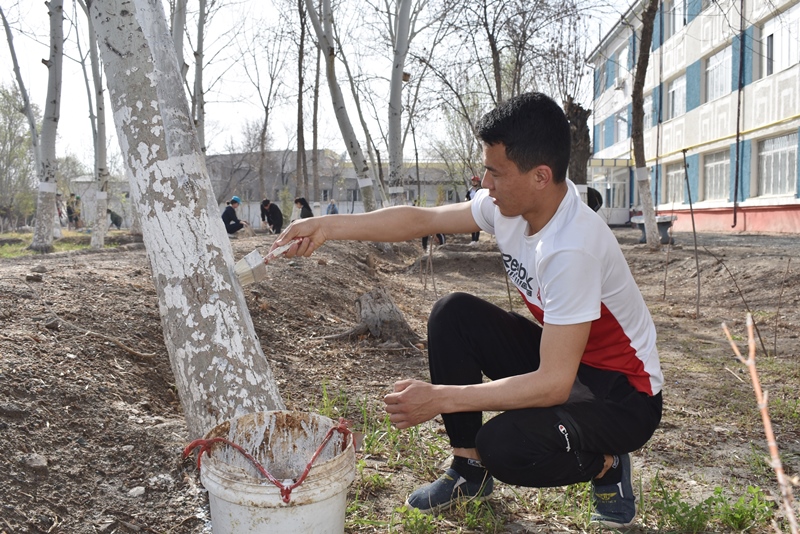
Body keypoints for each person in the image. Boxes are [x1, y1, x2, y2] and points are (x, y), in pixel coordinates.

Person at [270, 92, 663, 528]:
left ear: (540, 176)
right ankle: (468, 470)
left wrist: (439, 398)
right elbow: (423, 219)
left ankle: (606, 463)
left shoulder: (573, 247)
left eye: (495, 173)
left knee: (505, 446)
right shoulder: (510, 208)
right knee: (453, 313)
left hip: (622, 395)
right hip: (567, 358)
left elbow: (553, 384)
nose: (485, 184)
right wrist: (326, 226)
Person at [465, 176, 481, 245]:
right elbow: (466, 197)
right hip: (471, 207)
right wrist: (466, 200)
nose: (474, 182)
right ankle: (473, 239)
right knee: (472, 224)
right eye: (473, 181)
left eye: (475, 181)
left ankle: (476, 240)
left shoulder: (480, 190)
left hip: (477, 208)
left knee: (477, 223)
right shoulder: (470, 190)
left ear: (477, 182)